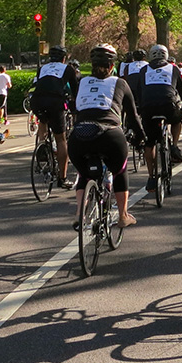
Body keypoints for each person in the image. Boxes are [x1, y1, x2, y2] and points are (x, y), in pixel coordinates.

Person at [68, 44, 140, 229]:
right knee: (120, 171)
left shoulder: (81, 82)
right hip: (110, 135)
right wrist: (142, 137)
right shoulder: (120, 83)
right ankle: (123, 216)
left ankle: (79, 213)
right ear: (112, 66)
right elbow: (132, 116)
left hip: (79, 136)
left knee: (84, 174)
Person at [127, 43, 182, 188]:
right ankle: (174, 146)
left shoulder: (144, 70)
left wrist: (140, 107)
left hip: (148, 108)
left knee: (149, 143)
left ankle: (151, 177)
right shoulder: (173, 68)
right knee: (177, 119)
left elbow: (139, 91)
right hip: (168, 106)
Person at [32, 46, 81, 187]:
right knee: (61, 139)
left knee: (43, 120)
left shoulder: (42, 68)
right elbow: (75, 91)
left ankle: (42, 145)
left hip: (37, 100)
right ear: (64, 58)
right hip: (54, 101)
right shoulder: (68, 69)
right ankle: (62, 178)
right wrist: (76, 107)